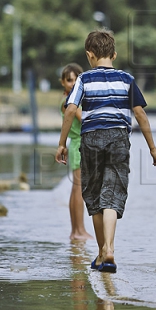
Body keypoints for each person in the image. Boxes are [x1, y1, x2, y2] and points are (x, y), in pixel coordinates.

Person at [55, 29, 156, 273]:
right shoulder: (127, 79)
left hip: (91, 138)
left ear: (89, 55)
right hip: (118, 138)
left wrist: (62, 143)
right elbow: (140, 114)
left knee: (93, 196)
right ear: (114, 54)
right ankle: (110, 250)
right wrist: (153, 148)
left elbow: (71, 110)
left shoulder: (84, 79)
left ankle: (102, 251)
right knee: (112, 195)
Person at [60, 63, 93, 241]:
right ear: (62, 82)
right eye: (69, 80)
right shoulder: (71, 103)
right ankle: (79, 230)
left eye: (75, 80)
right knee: (79, 189)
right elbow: (84, 119)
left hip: (75, 144)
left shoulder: (71, 101)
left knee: (76, 189)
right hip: (78, 144)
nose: (72, 84)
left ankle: (76, 230)